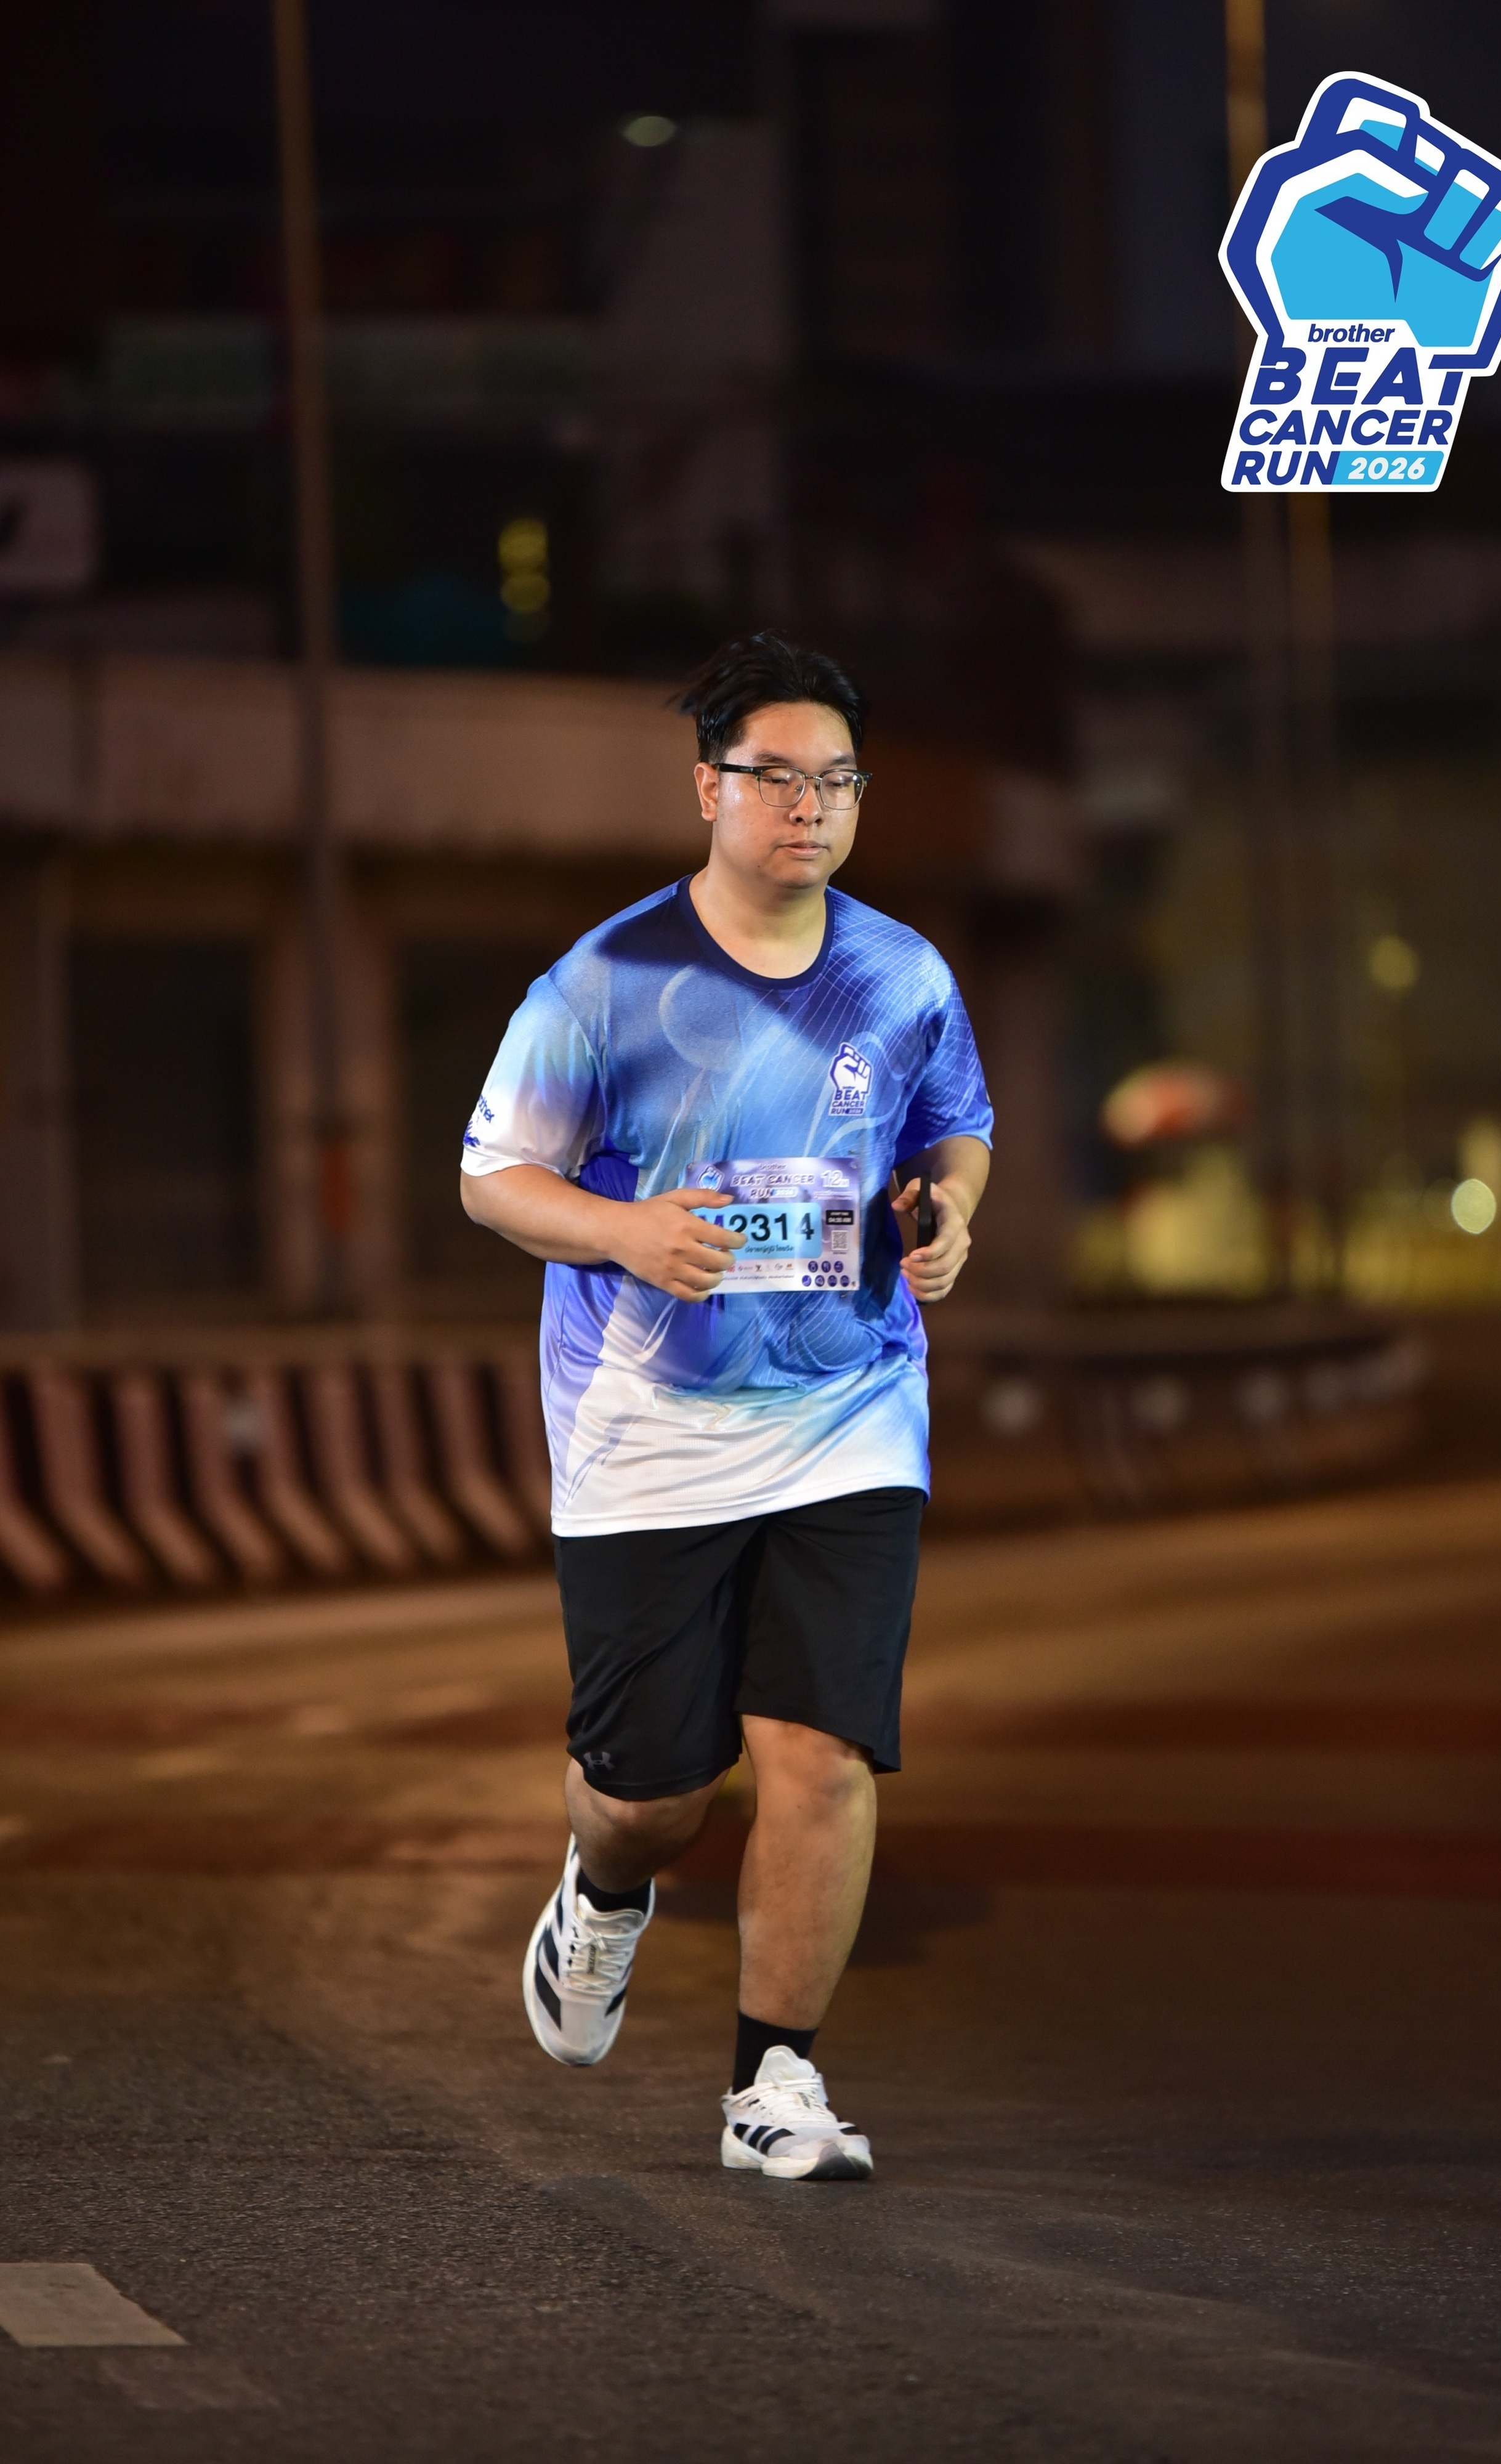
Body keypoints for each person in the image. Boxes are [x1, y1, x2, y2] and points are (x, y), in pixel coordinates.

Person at [460, 631, 992, 2182]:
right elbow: (493, 1176)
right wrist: (627, 1231)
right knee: (655, 1793)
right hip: (645, 1426)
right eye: (776, 777)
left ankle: (777, 2081)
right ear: (709, 788)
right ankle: (603, 1887)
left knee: (821, 1748)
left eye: (836, 780)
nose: (808, 805)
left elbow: (954, 1128)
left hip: (851, 1408)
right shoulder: (606, 980)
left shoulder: (902, 973)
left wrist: (949, 1210)